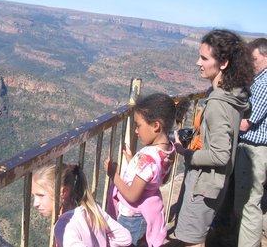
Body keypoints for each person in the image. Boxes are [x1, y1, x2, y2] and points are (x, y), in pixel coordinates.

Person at [173, 29, 253, 247]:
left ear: (224, 63)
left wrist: (187, 154)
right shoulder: (234, 95)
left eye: (204, 58)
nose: (198, 62)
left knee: (191, 241)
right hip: (215, 183)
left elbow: (220, 155)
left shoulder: (218, 103)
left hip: (204, 186)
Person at [104, 92, 177, 247]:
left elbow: (132, 195)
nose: (136, 131)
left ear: (156, 125)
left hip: (133, 217)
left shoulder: (148, 158)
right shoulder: (169, 150)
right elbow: (160, 178)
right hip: (147, 215)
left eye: (138, 125)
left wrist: (113, 174)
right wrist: (134, 162)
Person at [32, 163, 132, 247]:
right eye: (34, 196)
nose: (35, 204)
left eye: (41, 195)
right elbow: (125, 238)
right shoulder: (91, 209)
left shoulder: (63, 227)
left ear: (64, 192)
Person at [234, 37, 267, 247]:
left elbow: (246, 124)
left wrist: (223, 120)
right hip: (253, 150)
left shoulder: (264, 83)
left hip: (255, 150)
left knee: (249, 204)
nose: (251, 63)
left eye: (254, 58)